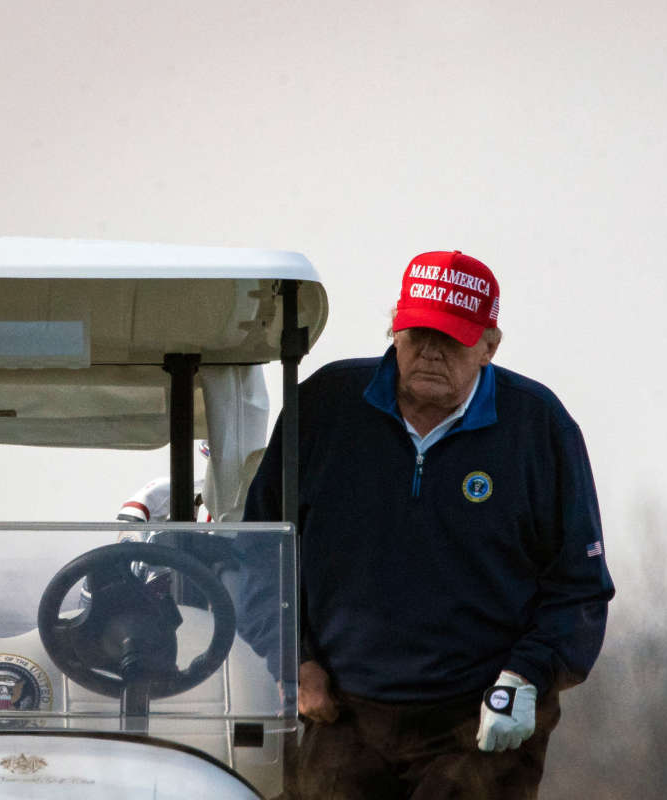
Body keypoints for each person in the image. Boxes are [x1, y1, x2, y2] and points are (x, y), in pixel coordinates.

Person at [238, 250, 614, 799]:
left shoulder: (540, 428)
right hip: (341, 710)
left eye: (452, 339)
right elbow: (255, 555)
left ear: (489, 345)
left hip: (479, 719)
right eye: (417, 334)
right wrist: (293, 660)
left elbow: (578, 589)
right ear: (394, 328)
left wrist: (527, 677)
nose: (431, 353)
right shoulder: (324, 407)